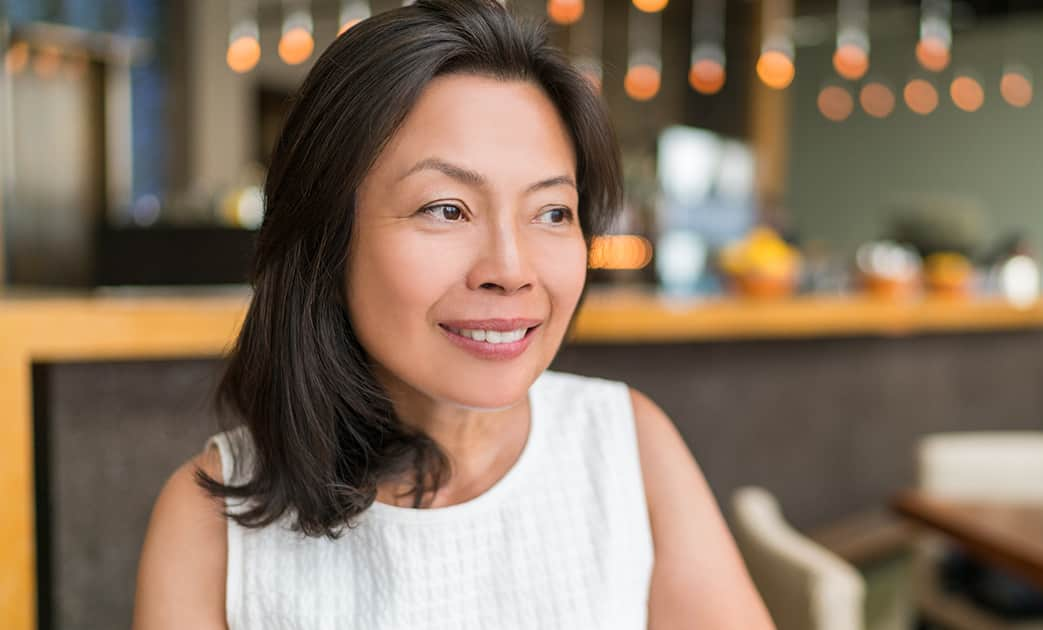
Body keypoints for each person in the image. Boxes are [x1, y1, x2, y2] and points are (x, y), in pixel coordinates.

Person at [133, 1, 773, 628]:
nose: (512, 268)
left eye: (553, 212)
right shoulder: (210, 522)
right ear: (325, 235)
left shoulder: (626, 446)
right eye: (446, 208)